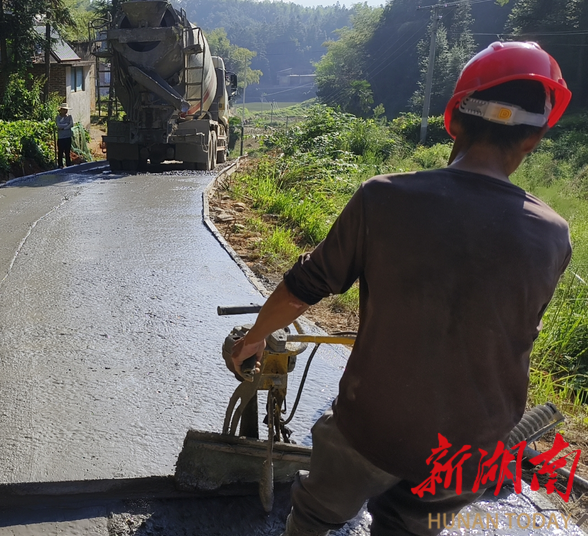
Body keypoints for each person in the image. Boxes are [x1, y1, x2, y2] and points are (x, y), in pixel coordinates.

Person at [229, 41, 572, 536]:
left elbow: (303, 287)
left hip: (373, 428)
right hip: (469, 452)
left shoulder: (383, 198)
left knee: (314, 513)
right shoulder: (552, 234)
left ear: (455, 118)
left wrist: (254, 339)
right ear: (533, 139)